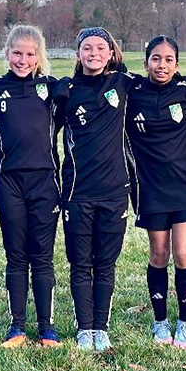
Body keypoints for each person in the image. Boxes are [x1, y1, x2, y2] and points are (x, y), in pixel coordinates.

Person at [0, 24, 62, 348]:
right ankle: (17, 327)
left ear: (39, 56)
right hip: (9, 181)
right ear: (7, 53)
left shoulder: (53, 88)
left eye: (30, 54)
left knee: (42, 256)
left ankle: (47, 328)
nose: (23, 60)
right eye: (17, 53)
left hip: (45, 181)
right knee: (16, 255)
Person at [52, 27, 135, 351]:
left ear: (111, 52)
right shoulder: (66, 90)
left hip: (115, 191)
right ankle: (84, 328)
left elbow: (163, 85)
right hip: (77, 192)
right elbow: (38, 125)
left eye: (101, 48)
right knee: (80, 263)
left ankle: (101, 327)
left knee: (105, 264)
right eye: (87, 48)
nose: (94, 54)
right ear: (78, 54)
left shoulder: (124, 84)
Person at [125, 36, 186, 349]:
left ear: (177, 64)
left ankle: (185, 324)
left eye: (169, 59)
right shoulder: (132, 91)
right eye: (156, 59)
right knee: (159, 254)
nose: (162, 65)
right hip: (150, 187)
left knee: (183, 253)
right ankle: (160, 322)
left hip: (184, 185)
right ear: (146, 62)